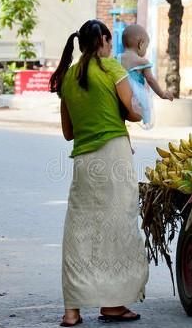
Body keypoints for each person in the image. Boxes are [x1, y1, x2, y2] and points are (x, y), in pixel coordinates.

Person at [49, 19, 149, 326]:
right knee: (117, 229)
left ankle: (71, 311)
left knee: (80, 232)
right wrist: (134, 109)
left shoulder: (67, 77)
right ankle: (112, 306)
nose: (110, 47)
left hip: (84, 161)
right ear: (103, 41)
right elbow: (134, 111)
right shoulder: (112, 70)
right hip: (114, 156)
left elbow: (68, 132)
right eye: (109, 42)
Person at [118, 24, 173, 129]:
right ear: (140, 44)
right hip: (135, 97)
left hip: (120, 95)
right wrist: (161, 94)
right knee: (145, 109)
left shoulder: (117, 58)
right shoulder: (142, 61)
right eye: (146, 47)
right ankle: (146, 120)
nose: (146, 50)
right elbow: (150, 80)